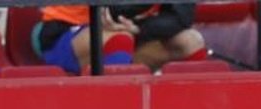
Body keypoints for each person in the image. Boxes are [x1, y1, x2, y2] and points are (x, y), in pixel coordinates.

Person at [38, 3, 206, 75]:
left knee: (191, 41)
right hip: (65, 31)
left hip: (133, 27)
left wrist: (139, 29)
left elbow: (182, 17)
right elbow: (111, 10)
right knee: (119, 38)